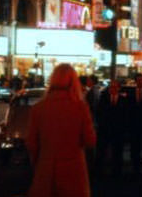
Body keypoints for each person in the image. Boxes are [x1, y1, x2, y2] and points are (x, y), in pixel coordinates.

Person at [26, 64, 96, 197]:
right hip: (73, 171)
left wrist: (39, 162)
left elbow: (31, 143)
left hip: (46, 171)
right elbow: (90, 140)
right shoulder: (80, 108)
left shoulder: (39, 108)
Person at [96, 80, 128, 176]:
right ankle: (100, 172)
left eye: (114, 87)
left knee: (117, 152)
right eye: (111, 87)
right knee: (102, 151)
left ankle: (117, 172)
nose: (112, 89)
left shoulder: (124, 100)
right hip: (105, 129)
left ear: (118, 88)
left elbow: (126, 115)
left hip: (118, 130)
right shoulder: (103, 98)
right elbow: (99, 113)